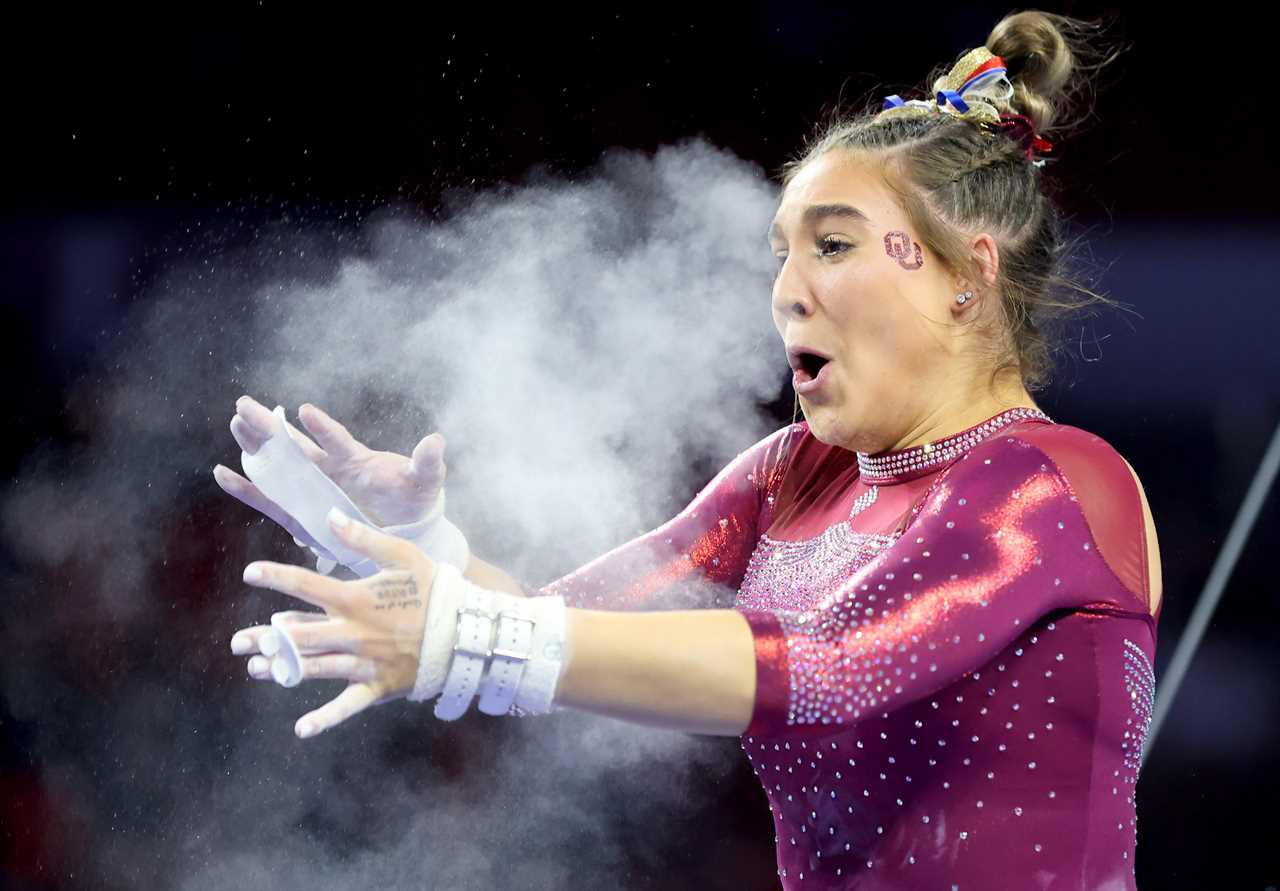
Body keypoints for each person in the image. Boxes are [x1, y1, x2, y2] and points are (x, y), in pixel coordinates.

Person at [214, 9, 1162, 888]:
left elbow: (834, 664)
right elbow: (563, 625)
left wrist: (465, 633)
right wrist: (424, 553)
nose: (787, 290)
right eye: (781, 254)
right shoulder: (795, 474)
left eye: (832, 246)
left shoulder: (1054, 481)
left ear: (970, 272)